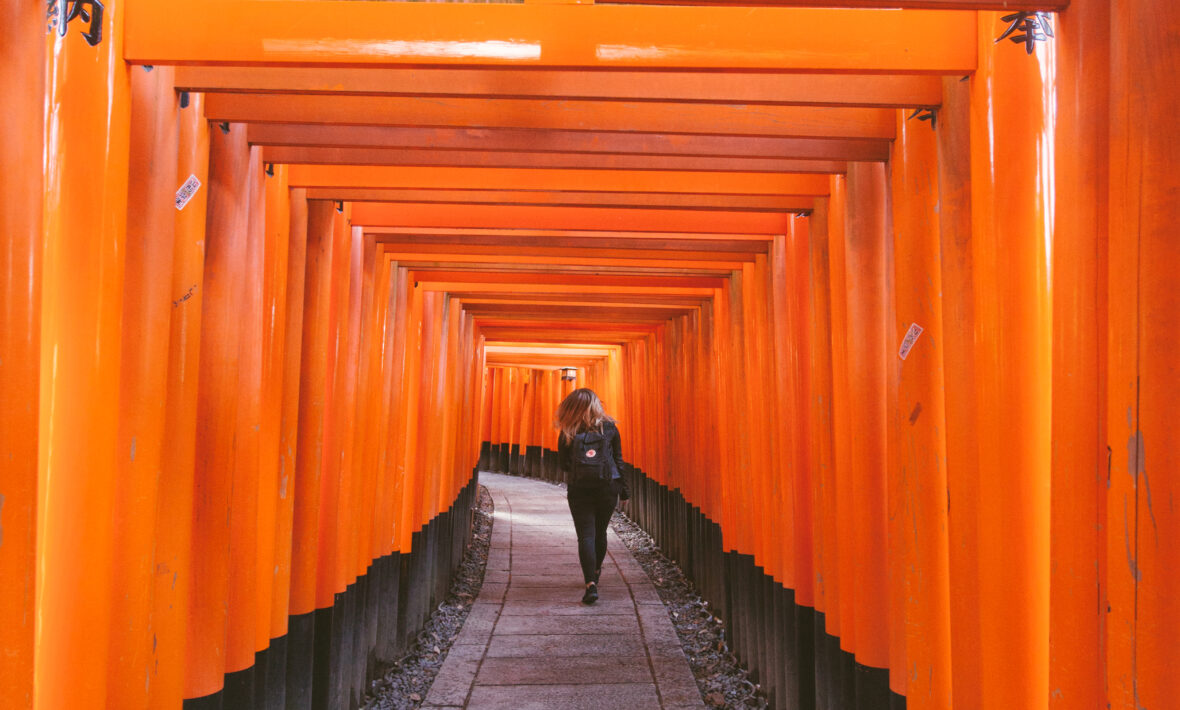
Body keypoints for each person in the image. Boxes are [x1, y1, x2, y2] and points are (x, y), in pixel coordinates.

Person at [555, 388, 624, 605]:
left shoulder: (568, 431)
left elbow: (563, 464)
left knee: (586, 535)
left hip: (580, 489)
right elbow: (619, 460)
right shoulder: (610, 428)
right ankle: (596, 570)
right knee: (600, 532)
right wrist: (625, 488)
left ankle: (589, 584)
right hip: (608, 486)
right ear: (596, 405)